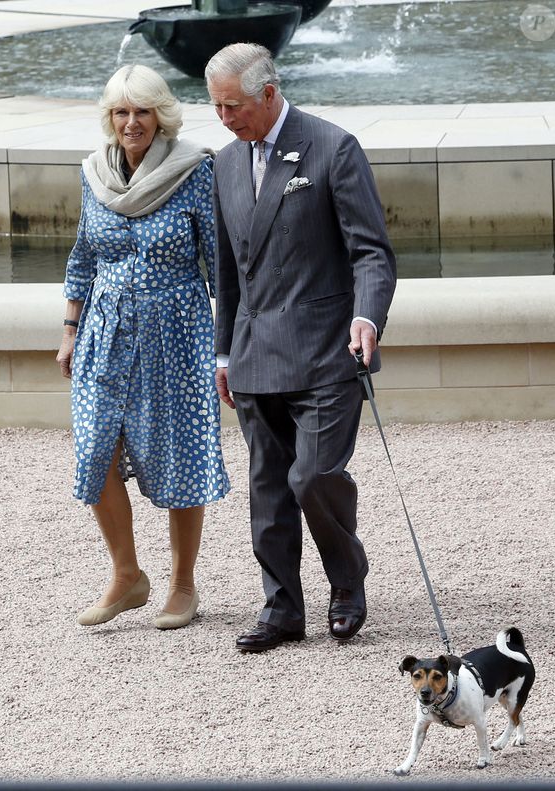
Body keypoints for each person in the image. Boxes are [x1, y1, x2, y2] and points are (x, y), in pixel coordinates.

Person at [205, 43, 396, 652]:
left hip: (327, 349)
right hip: (255, 352)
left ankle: (347, 581)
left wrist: (367, 317)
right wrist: (223, 354)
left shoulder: (332, 148)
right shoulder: (225, 164)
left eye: (233, 105)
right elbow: (230, 270)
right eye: (215, 107)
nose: (225, 118)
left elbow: (371, 252)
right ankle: (282, 609)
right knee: (268, 486)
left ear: (268, 93)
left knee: (312, 476)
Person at [56, 64, 230, 630]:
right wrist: (69, 327)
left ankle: (183, 584)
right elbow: (84, 253)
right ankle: (127, 576)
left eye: (143, 111)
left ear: (161, 115)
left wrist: (226, 342)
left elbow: (220, 265)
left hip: (176, 331)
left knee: (181, 453)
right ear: (111, 118)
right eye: (121, 112)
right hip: (103, 332)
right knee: (92, 452)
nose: (131, 122)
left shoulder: (194, 170)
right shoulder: (93, 172)